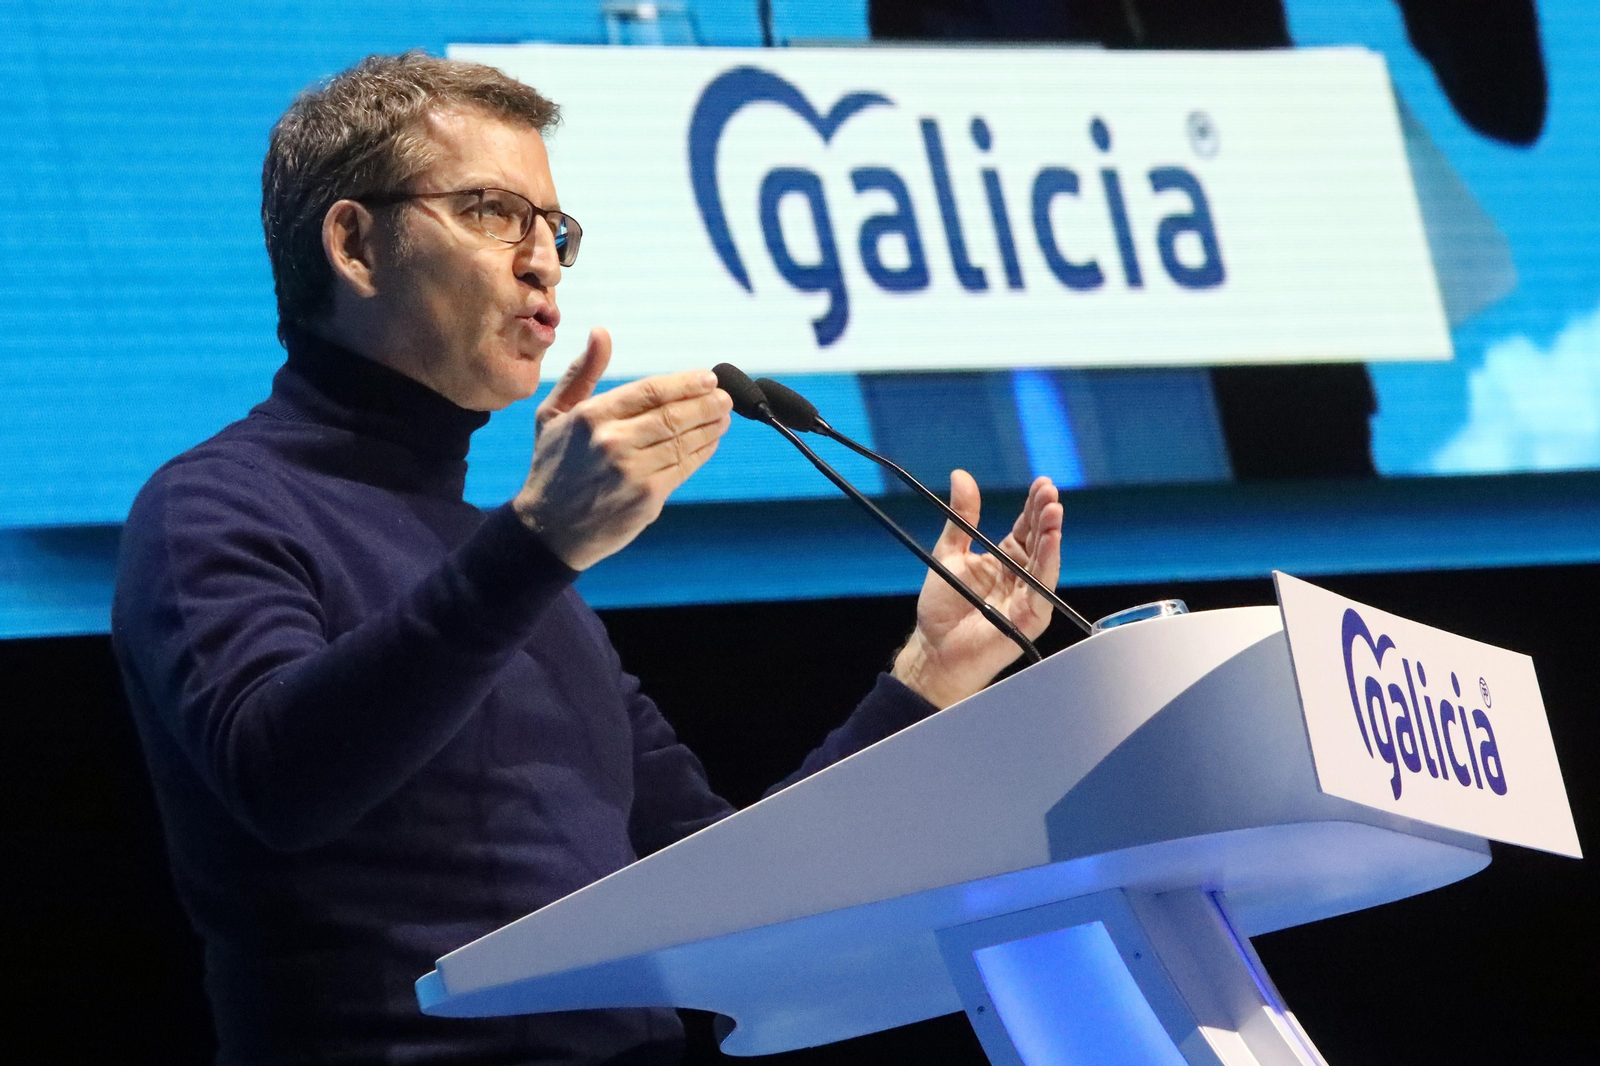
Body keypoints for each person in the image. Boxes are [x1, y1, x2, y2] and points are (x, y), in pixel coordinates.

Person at [111, 52, 1063, 1066]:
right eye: (490, 211)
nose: (541, 262)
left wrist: (928, 679)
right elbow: (281, 782)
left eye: (552, 228)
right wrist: (535, 545)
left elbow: (725, 881)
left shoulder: (517, 576)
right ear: (354, 243)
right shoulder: (213, 505)